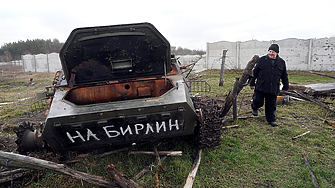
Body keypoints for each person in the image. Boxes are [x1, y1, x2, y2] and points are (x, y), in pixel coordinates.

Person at [250, 44, 289, 127]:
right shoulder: (262, 60)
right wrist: (252, 82)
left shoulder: (281, 62)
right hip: (261, 86)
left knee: (271, 105)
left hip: (273, 87)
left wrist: (286, 86)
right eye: (270, 51)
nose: (271, 53)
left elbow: (284, 75)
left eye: (273, 52)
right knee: (258, 101)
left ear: (277, 53)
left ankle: (271, 120)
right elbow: (255, 72)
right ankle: (254, 107)